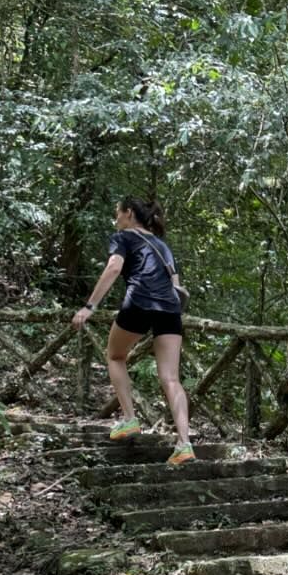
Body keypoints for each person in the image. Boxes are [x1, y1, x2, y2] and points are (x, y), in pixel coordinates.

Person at [73, 198, 194, 466]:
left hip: (140, 301)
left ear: (129, 213)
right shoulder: (163, 246)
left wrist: (89, 307)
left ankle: (129, 419)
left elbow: (114, 267)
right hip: (170, 309)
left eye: (117, 212)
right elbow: (175, 284)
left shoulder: (123, 236)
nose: (115, 217)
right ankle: (184, 444)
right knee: (171, 378)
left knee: (115, 355)